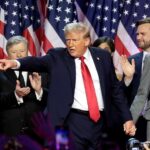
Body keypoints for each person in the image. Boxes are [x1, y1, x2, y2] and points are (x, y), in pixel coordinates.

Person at [0, 22, 136, 150]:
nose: (70, 44)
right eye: (68, 40)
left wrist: (127, 118)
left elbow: (115, 90)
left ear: (87, 41)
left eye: (74, 40)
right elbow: (36, 62)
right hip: (69, 121)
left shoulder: (103, 57)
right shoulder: (58, 56)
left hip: (101, 124)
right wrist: (14, 63)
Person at [0, 36, 48, 142]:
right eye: (14, 52)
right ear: (7, 54)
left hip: (37, 133)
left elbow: (53, 99)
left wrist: (39, 91)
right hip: (9, 133)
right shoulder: (1, 73)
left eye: (22, 51)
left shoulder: (41, 72)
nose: (19, 55)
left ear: (27, 51)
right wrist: (15, 95)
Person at [120, 17, 150, 141]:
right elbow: (122, 95)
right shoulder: (132, 60)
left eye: (142, 34)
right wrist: (128, 78)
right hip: (136, 123)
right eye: (137, 34)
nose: (138, 37)